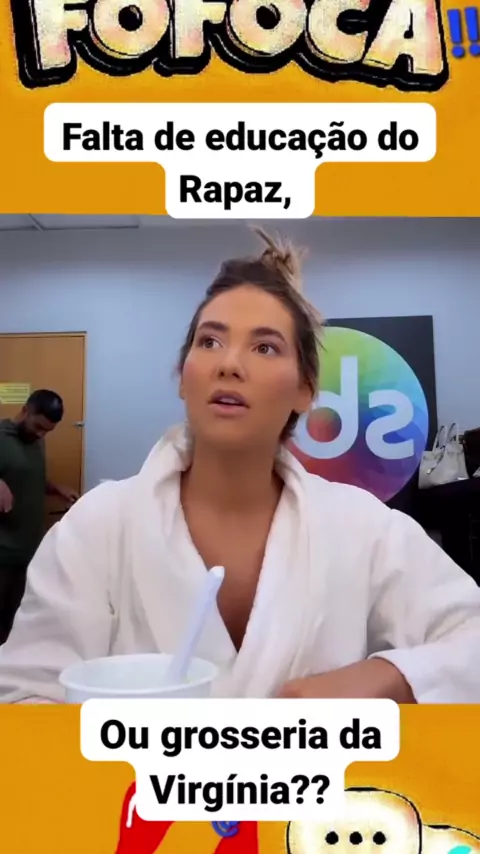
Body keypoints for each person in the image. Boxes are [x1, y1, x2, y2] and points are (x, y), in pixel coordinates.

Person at [0, 230, 480, 703]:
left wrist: (389, 677)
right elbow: (24, 698)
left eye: (265, 347)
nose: (228, 364)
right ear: (182, 376)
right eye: (210, 341)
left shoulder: (363, 527)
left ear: (305, 390)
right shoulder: (96, 527)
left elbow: (470, 637)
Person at [0, 389, 78, 644]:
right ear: (25, 411)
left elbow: (28, 477)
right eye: (38, 427)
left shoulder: (36, 441)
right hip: (2, 552)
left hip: (29, 551)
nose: (41, 434)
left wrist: (56, 489)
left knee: (17, 620)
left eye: (47, 431)